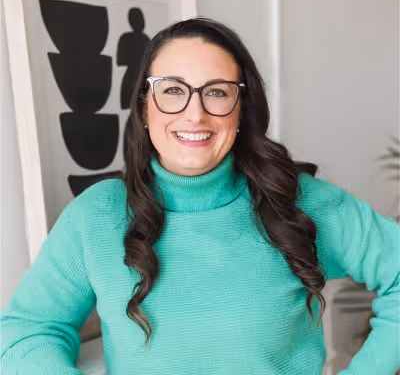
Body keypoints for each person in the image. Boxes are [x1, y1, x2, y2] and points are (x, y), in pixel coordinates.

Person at [1, 18, 399, 375]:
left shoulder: (296, 200)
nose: (195, 114)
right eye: (173, 90)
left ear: (241, 109)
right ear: (144, 107)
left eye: (217, 92)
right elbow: (26, 330)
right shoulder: (95, 216)